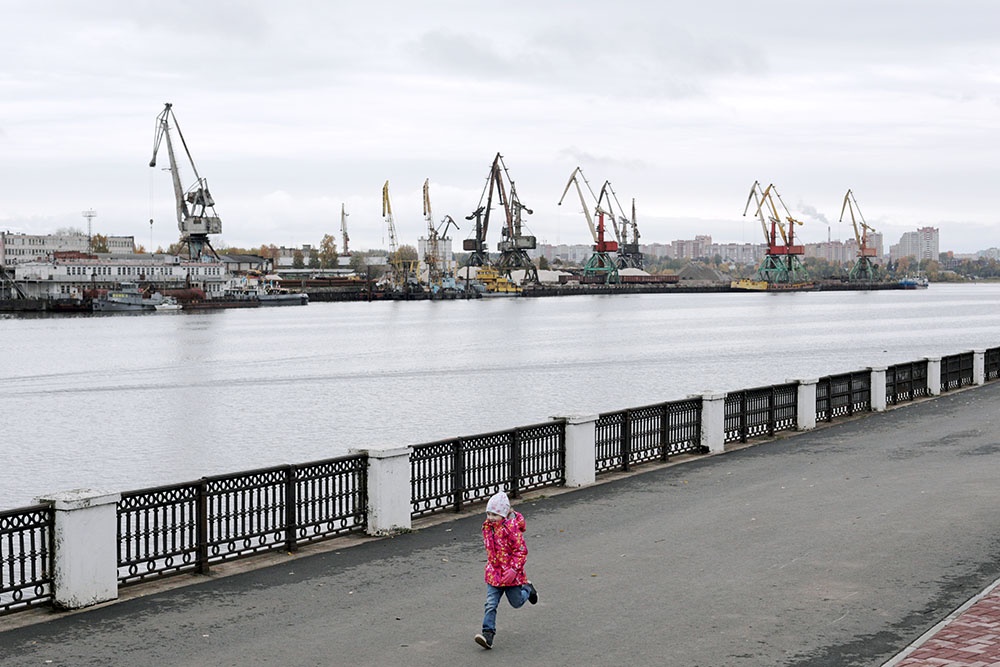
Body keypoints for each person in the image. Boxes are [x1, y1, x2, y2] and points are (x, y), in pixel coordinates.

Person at [474, 491, 538, 650]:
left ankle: (528, 590)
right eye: (488, 513)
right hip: (494, 574)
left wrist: (514, 570)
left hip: (511, 576)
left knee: (516, 603)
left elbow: (521, 551)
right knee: (490, 604)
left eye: (494, 514)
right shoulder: (488, 527)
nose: (490, 517)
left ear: (503, 514)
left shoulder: (511, 529)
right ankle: (488, 634)